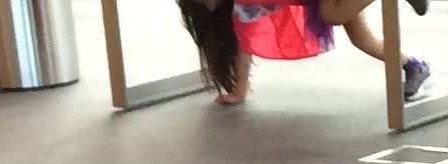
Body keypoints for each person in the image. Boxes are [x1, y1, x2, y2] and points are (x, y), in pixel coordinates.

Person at [176, 0, 432, 108]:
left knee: (332, 14)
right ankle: (414, 66)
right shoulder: (242, 10)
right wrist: (240, 91)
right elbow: (244, 48)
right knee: (362, 40)